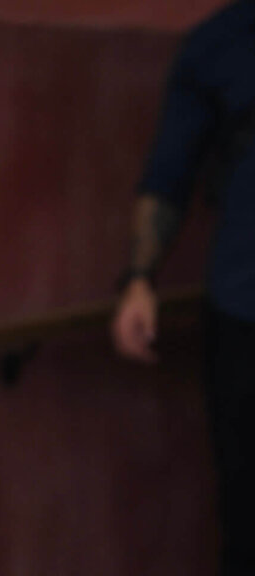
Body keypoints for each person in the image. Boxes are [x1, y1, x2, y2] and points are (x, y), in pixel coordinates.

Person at [111, 2, 255, 574]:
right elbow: (169, 173)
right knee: (245, 521)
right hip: (244, 313)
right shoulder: (220, 43)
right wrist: (140, 279)